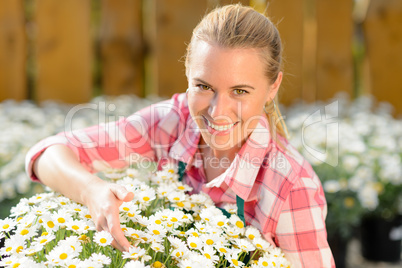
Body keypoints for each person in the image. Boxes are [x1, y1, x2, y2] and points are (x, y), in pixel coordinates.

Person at [26, 4, 335, 267]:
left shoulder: (291, 188)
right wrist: (92, 192)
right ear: (187, 73)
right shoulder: (172, 123)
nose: (217, 111)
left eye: (240, 91)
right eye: (204, 86)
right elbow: (48, 153)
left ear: (272, 88)